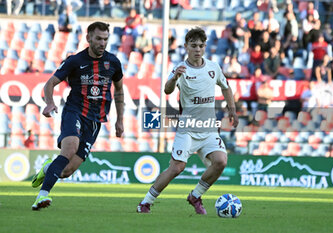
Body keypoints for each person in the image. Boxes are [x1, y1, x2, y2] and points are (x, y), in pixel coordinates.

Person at [136, 27, 239, 214]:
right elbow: (167, 90)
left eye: (201, 45)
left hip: (208, 128)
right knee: (177, 168)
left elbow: (226, 87)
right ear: (186, 47)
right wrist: (174, 77)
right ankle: (145, 203)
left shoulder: (213, 68)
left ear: (205, 46)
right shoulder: (180, 69)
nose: (197, 49)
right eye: (193, 46)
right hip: (188, 129)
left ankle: (195, 196)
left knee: (221, 161)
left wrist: (232, 109)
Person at [31, 22, 124, 211]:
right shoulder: (75, 61)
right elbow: (50, 84)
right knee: (69, 149)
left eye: (105, 39)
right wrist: (49, 102)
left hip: (96, 120)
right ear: (88, 38)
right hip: (74, 111)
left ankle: (49, 168)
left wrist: (120, 120)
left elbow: (120, 91)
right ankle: (41, 196)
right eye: (98, 38)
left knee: (66, 170)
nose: (102, 43)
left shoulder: (113, 62)